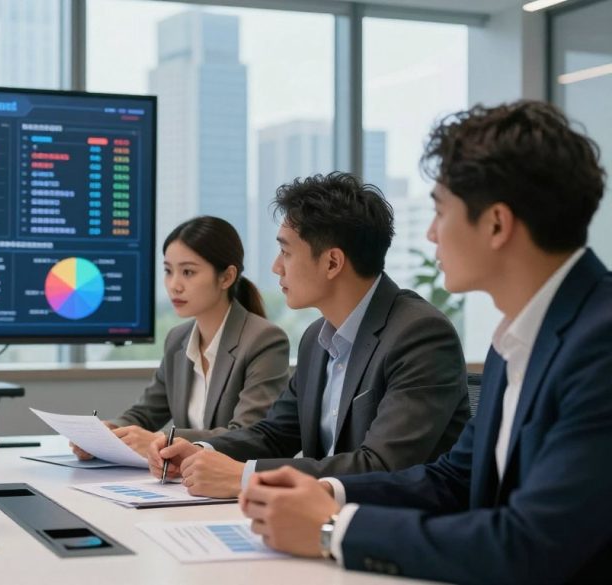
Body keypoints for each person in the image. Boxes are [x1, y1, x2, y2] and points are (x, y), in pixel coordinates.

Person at [240, 101, 612, 584]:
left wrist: (334, 530)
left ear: (497, 224)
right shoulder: (515, 339)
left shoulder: (600, 345)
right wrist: (327, 494)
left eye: (440, 211)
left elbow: (531, 545)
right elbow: (453, 479)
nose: (432, 233)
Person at [148, 173, 469, 498]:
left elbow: (384, 466)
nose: (276, 267)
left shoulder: (419, 335)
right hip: (315, 518)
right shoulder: (317, 338)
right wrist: (199, 450)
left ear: (332, 262)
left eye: (285, 252)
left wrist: (245, 476)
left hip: (389, 527)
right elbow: (274, 435)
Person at [73, 216, 290, 459]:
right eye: (168, 271)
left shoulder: (264, 340)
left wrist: (163, 440)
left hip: (231, 484)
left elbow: (248, 434)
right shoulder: (178, 339)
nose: (174, 285)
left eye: (188, 272)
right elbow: (145, 414)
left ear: (227, 277)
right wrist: (109, 433)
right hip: (182, 482)